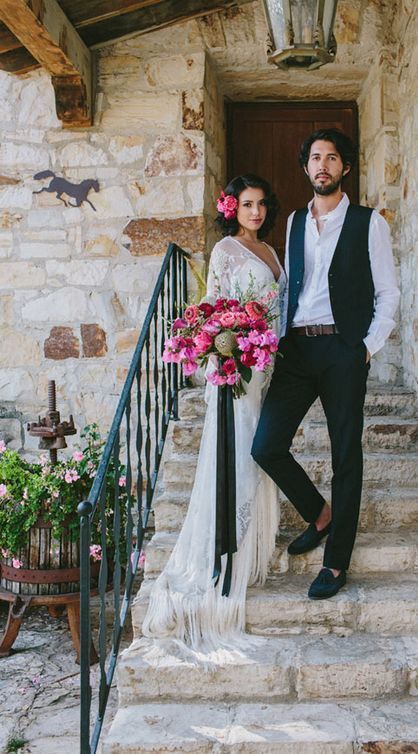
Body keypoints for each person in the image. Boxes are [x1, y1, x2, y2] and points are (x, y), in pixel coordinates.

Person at [252, 129, 400, 600]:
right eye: (315, 158)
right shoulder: (295, 221)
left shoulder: (368, 222)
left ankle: (336, 562)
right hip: (296, 349)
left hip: (343, 350)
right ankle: (319, 513)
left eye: (332, 158)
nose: (323, 165)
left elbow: (388, 294)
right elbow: (290, 284)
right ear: (306, 168)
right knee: (267, 444)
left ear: (345, 168)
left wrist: (366, 347)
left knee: (345, 457)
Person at [142, 174, 285, 655]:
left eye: (262, 204)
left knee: (263, 446)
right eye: (248, 204)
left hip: (264, 364)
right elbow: (211, 305)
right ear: (234, 209)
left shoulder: (272, 253)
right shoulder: (226, 250)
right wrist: (218, 344)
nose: (256, 212)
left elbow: (276, 311)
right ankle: (228, 549)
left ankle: (251, 544)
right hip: (237, 367)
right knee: (242, 447)